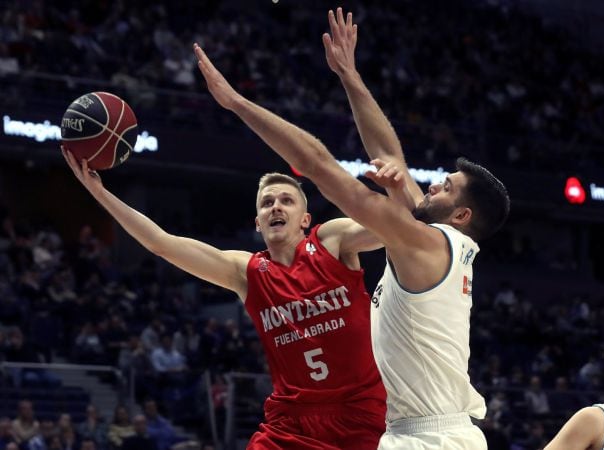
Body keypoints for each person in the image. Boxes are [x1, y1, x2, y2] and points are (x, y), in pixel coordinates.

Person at [194, 7, 510, 448]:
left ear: (462, 216)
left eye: (447, 187)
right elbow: (390, 157)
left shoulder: (425, 241)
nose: (434, 183)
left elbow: (317, 166)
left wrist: (236, 104)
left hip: (429, 439)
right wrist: (349, 76)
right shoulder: (437, 238)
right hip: (418, 433)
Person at [61, 55, 407, 447]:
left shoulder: (333, 241)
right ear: (257, 223)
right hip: (289, 424)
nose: (275, 206)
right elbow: (161, 243)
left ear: (305, 218)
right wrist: (99, 193)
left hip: (361, 415)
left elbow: (393, 230)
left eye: (286, 201)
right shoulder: (247, 272)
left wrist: (395, 190)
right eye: (267, 203)